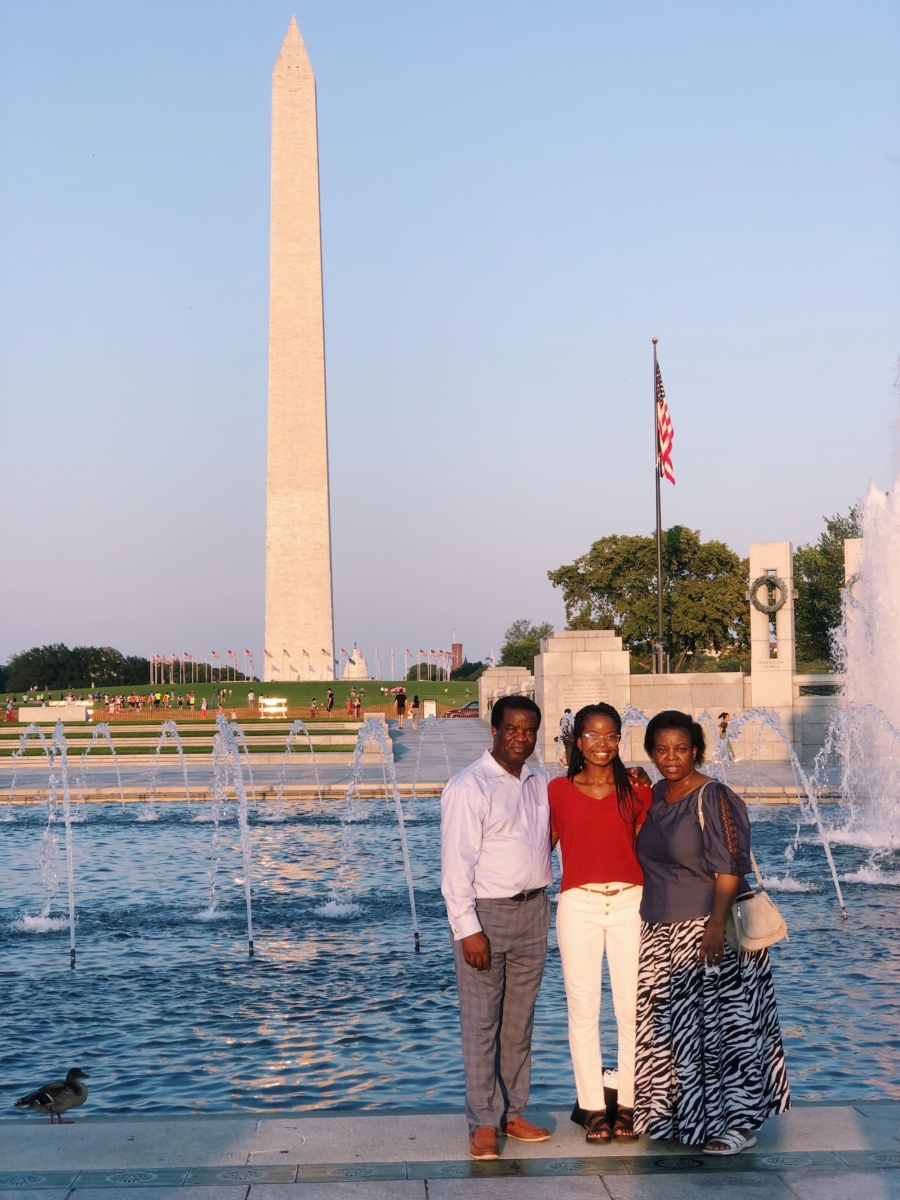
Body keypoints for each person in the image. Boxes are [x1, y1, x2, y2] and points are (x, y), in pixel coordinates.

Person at [634, 710, 790, 1154]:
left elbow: (729, 867)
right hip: (659, 930)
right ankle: (682, 1116)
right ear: (650, 752)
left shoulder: (714, 796)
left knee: (727, 1028)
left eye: (681, 748)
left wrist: (716, 927)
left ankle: (738, 1124)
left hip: (707, 926)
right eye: (661, 750)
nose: (671, 757)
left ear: (697, 750)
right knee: (673, 1030)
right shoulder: (657, 794)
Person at [441, 695, 552, 1161]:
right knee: (482, 1023)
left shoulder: (538, 781)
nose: (520, 738)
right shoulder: (469, 787)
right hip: (487, 915)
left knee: (518, 1024)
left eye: (528, 731)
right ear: (494, 730)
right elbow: (454, 868)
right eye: (512, 729)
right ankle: (483, 1122)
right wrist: (468, 929)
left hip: (534, 912)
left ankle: (513, 1112)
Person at [549, 703, 652, 1143]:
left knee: (632, 1009)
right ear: (577, 740)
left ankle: (627, 1103)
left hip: (631, 903)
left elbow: (656, 848)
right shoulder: (556, 790)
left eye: (610, 736)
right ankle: (593, 1106)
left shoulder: (637, 791)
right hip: (578, 905)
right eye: (592, 736)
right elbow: (536, 848)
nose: (602, 744)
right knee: (583, 1010)